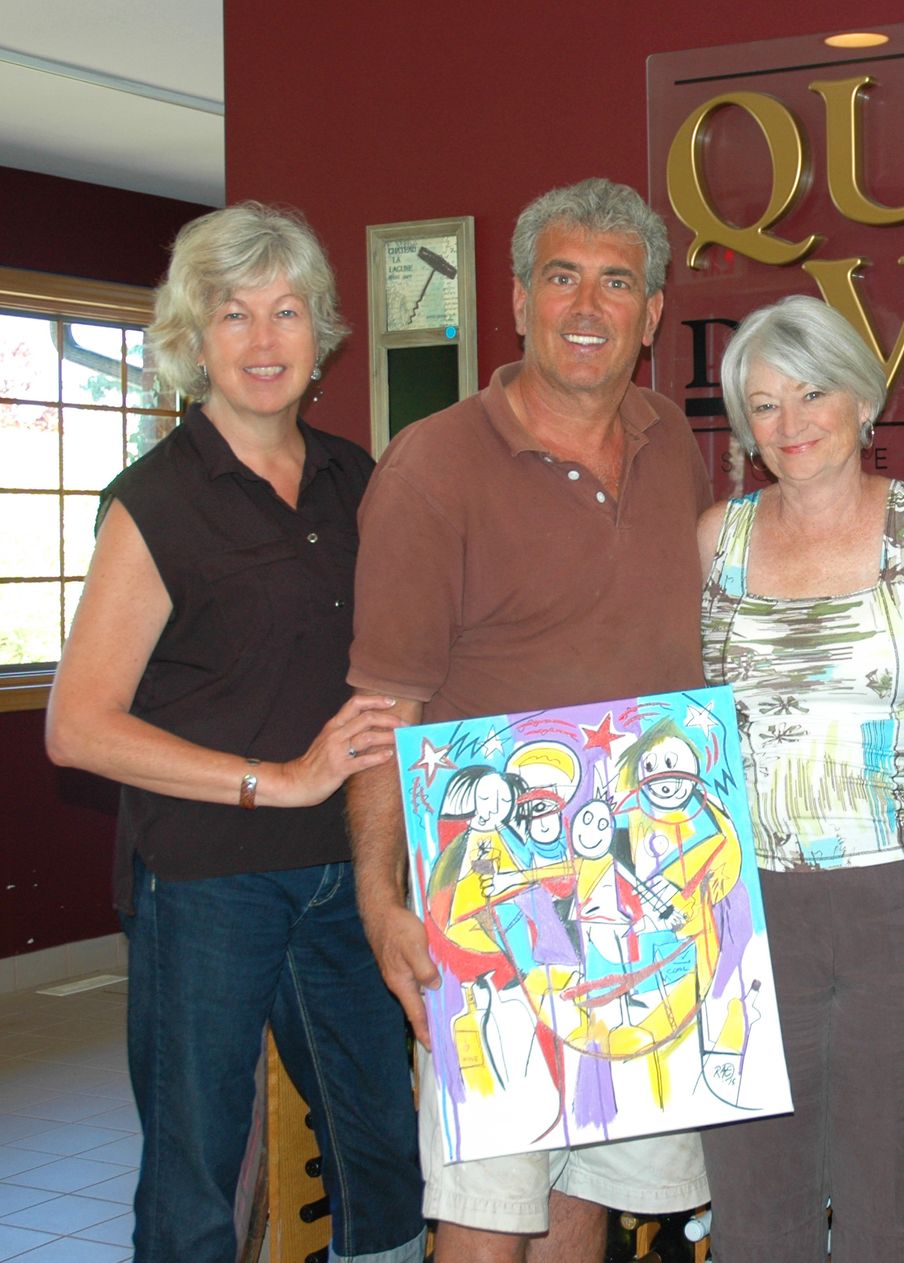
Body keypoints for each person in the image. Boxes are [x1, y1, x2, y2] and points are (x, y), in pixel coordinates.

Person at [44, 202, 424, 1263]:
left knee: (383, 1159)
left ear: (321, 333)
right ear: (193, 338)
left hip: (349, 872)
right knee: (197, 1174)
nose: (263, 340)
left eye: (286, 311)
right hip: (206, 880)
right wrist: (279, 777)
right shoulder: (154, 501)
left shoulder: (357, 478)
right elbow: (77, 728)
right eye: (234, 314)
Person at [346, 178, 712, 1263]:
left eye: (617, 283)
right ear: (517, 299)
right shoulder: (432, 465)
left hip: (639, 890)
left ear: (652, 313)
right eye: (562, 278)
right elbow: (386, 704)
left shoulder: (674, 442)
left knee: (590, 1190)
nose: (588, 307)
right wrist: (380, 898)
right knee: (487, 1205)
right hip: (490, 897)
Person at [695, 295, 904, 1262]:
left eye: (813, 392)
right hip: (744, 901)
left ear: (863, 400)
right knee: (754, 1196)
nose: (791, 423)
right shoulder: (715, 538)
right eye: (765, 404)